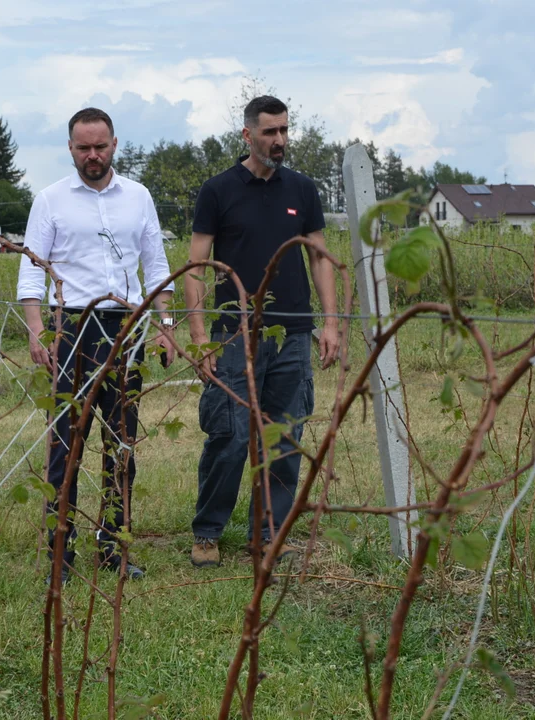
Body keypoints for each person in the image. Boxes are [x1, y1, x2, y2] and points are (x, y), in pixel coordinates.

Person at [17, 107, 175, 583]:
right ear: (69, 148)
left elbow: (158, 265)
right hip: (71, 327)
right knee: (67, 441)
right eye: (83, 147)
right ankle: (60, 555)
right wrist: (36, 328)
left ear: (114, 144)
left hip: (125, 327)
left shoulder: (139, 198)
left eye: (100, 146)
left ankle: (114, 547)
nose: (92, 155)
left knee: (121, 441)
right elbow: (31, 269)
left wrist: (166, 323)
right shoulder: (50, 200)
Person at [185, 95, 340, 568]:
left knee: (285, 434)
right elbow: (196, 266)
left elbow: (319, 257)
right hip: (234, 336)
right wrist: (199, 336)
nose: (280, 140)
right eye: (270, 132)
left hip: (293, 333)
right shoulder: (218, 191)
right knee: (229, 436)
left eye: (285, 131)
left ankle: (270, 531)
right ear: (247, 135)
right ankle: (208, 531)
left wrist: (330, 322)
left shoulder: (302, 190)